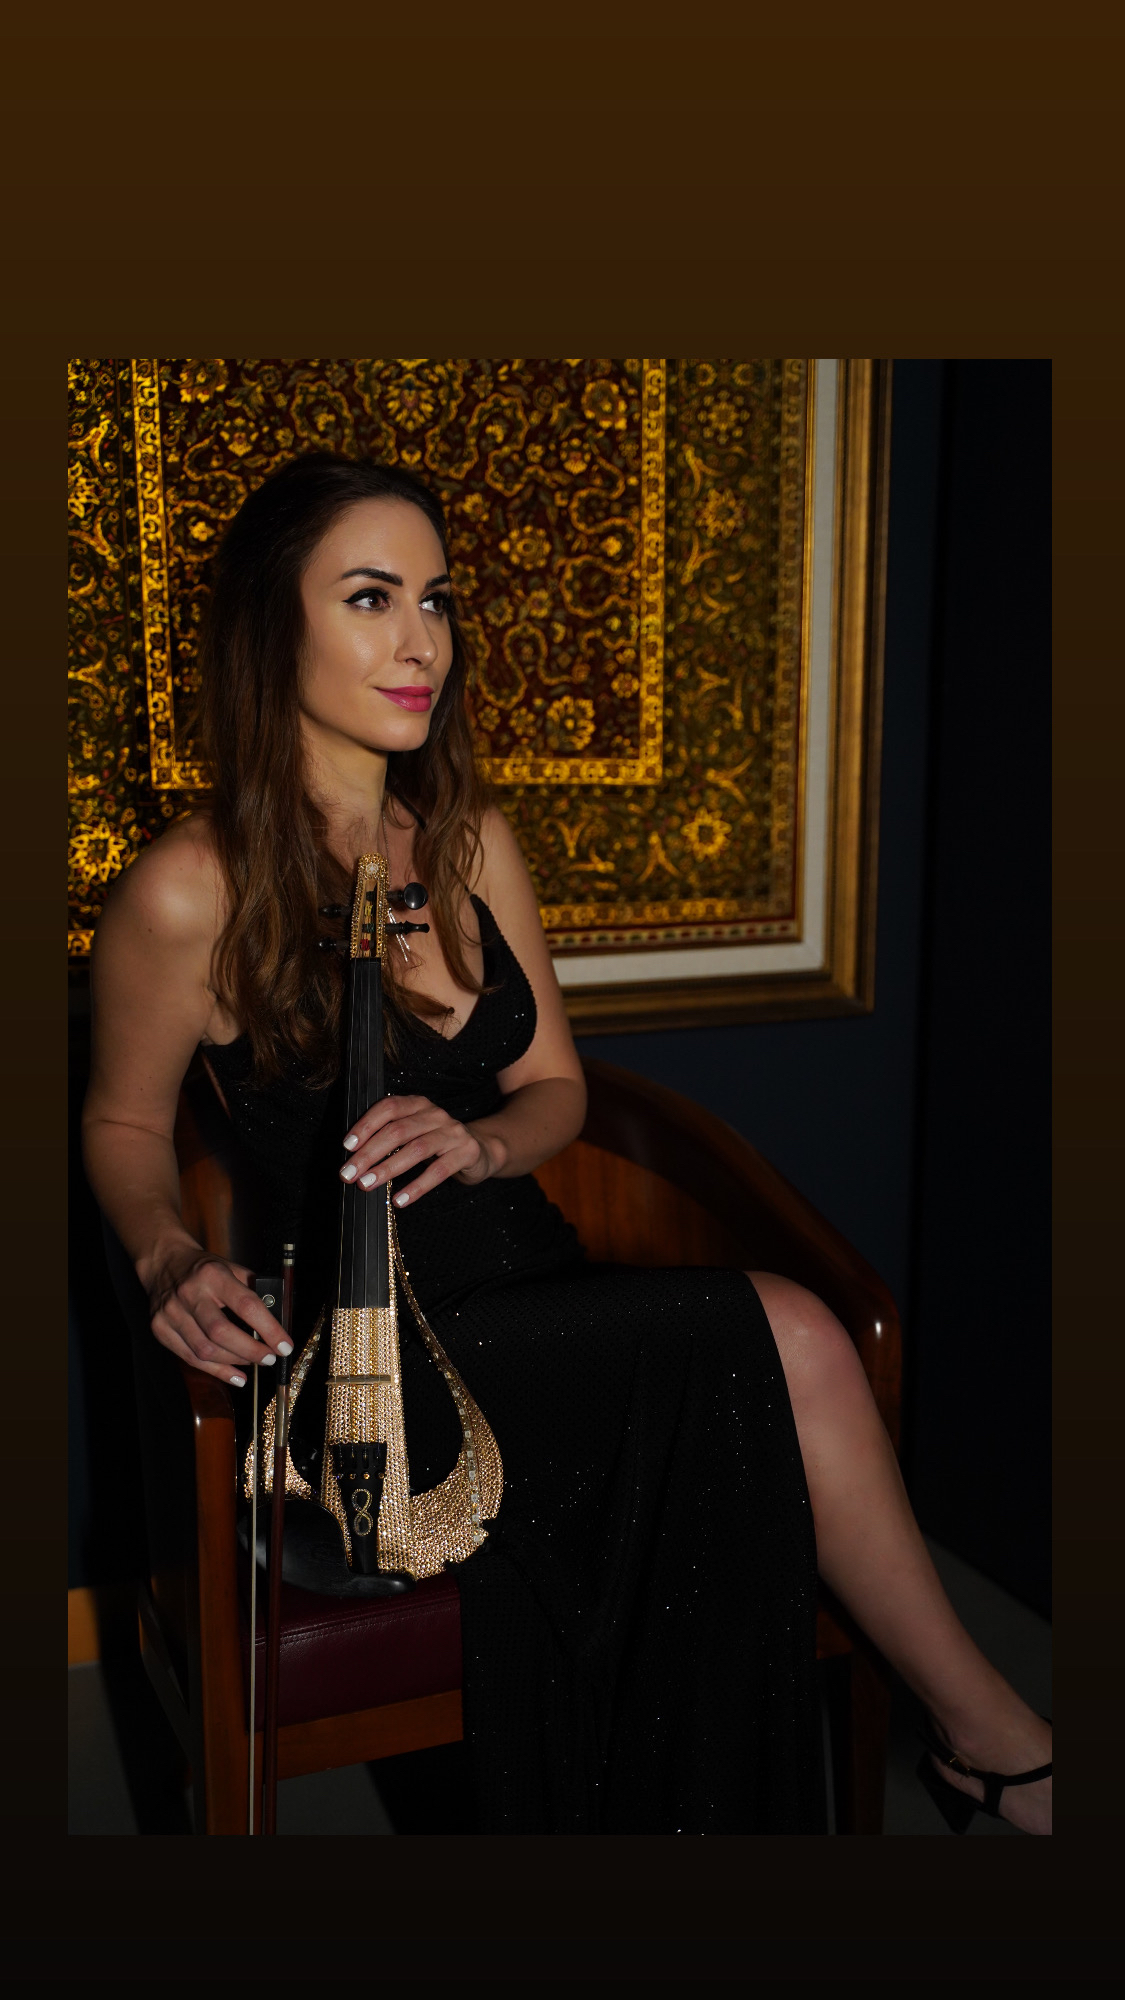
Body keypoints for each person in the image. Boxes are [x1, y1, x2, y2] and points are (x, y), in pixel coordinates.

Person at [82, 453, 1052, 1836]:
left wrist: (482, 1147)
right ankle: (994, 1740)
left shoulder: (470, 838)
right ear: (269, 627)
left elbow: (556, 1092)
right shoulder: (189, 888)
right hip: (383, 1351)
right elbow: (123, 1122)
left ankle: (971, 1746)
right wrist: (168, 1253)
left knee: (782, 1346)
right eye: (370, 598)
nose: (421, 640)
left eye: (436, 599)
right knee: (793, 1336)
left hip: (534, 1282)